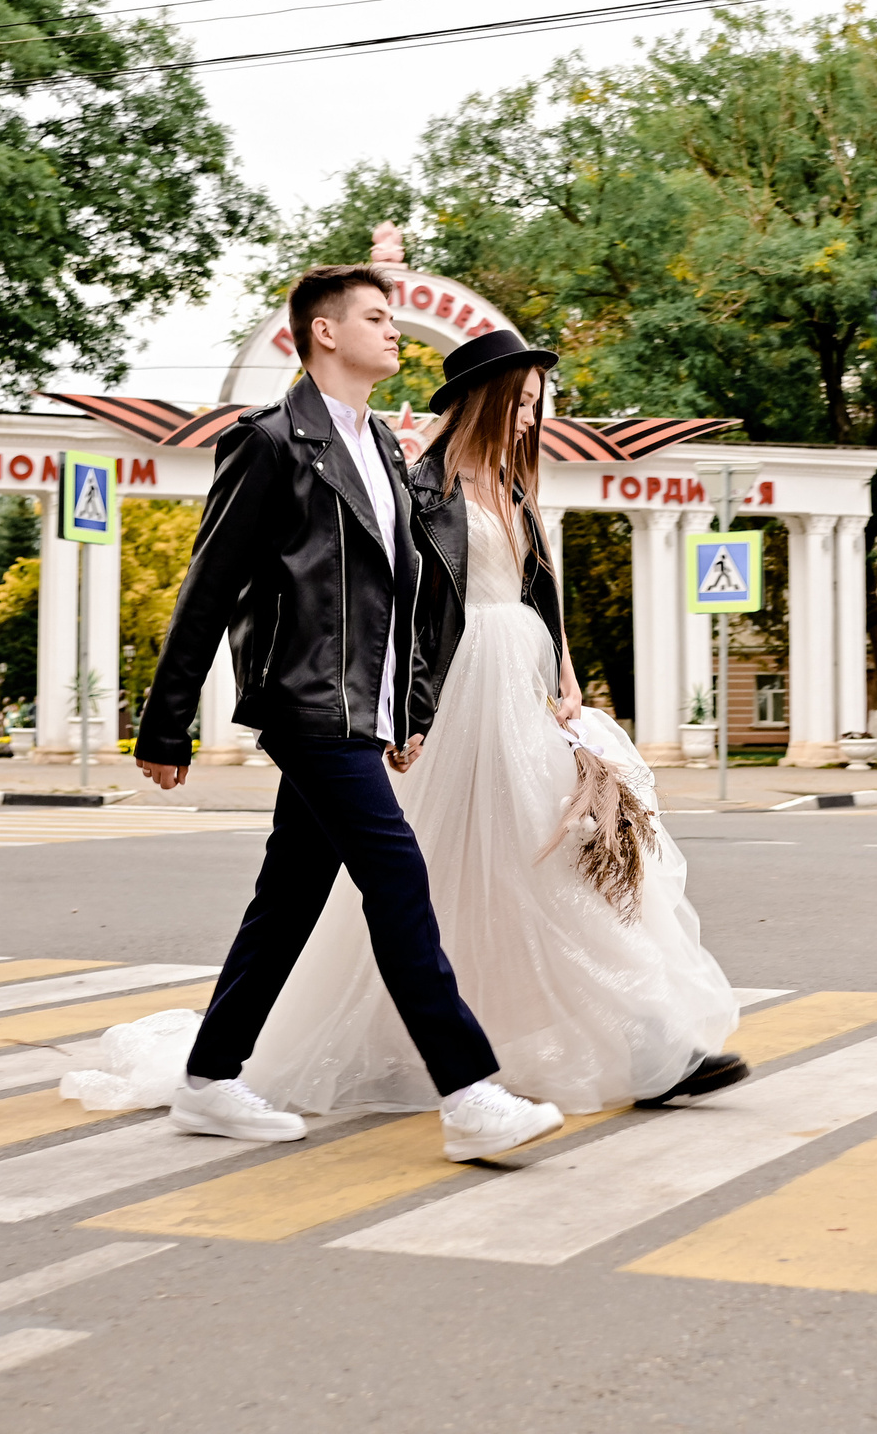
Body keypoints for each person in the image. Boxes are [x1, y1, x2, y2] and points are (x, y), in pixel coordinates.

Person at [237, 330, 744, 1117]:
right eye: (520, 405)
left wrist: (567, 672)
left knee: (557, 860)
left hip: (524, 686)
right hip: (458, 691)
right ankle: (414, 1046)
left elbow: (539, 590)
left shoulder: (516, 487)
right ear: (483, 400)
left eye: (537, 409)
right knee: (461, 874)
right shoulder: (421, 488)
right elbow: (396, 610)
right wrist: (405, 710)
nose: (528, 422)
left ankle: (649, 1039)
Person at [126, 265, 563, 1163]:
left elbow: (399, 600)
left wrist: (406, 708)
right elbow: (207, 588)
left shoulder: (382, 454)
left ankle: (209, 1079)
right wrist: (167, 722)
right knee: (398, 879)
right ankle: (471, 1093)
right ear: (324, 333)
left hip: (357, 709)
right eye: (376, 316)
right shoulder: (276, 443)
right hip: (304, 699)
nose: (394, 330)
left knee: (288, 896)